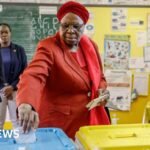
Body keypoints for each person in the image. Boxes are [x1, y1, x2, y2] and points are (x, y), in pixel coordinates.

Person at [16, 1, 110, 139]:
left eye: (76, 26)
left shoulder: (91, 46)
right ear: (60, 25)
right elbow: (34, 75)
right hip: (60, 122)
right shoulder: (49, 47)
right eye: (65, 26)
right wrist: (26, 103)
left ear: (84, 27)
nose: (70, 30)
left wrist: (102, 90)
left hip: (87, 120)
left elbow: (99, 76)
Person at [0, 23, 27, 129]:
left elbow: (25, 71)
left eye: (6, 32)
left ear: (10, 33)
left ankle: (17, 143)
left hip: (15, 90)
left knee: (16, 121)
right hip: (0, 91)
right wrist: (3, 88)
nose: (3, 34)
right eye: (1, 32)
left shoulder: (19, 50)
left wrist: (12, 87)